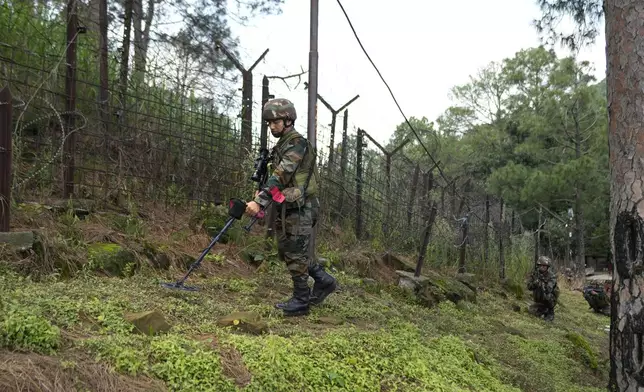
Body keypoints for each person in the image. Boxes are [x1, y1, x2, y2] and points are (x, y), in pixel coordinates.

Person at [245, 98, 337, 317]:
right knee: (289, 250)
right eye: (269, 123)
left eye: (275, 122)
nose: (271, 126)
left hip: (302, 207)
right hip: (290, 205)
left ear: (288, 120)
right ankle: (324, 280)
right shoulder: (283, 145)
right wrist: (263, 194)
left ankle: (301, 301)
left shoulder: (297, 144)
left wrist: (260, 201)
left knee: (295, 253)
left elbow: (282, 174)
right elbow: (278, 179)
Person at [527, 256, 559, 322]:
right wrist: (535, 283)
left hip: (549, 300)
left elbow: (549, 288)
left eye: (545, 266)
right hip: (538, 300)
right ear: (538, 266)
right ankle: (542, 310)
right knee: (531, 312)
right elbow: (529, 287)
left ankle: (550, 312)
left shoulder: (551, 276)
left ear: (547, 267)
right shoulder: (534, 274)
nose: (543, 267)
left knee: (548, 294)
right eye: (541, 265)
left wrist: (543, 282)